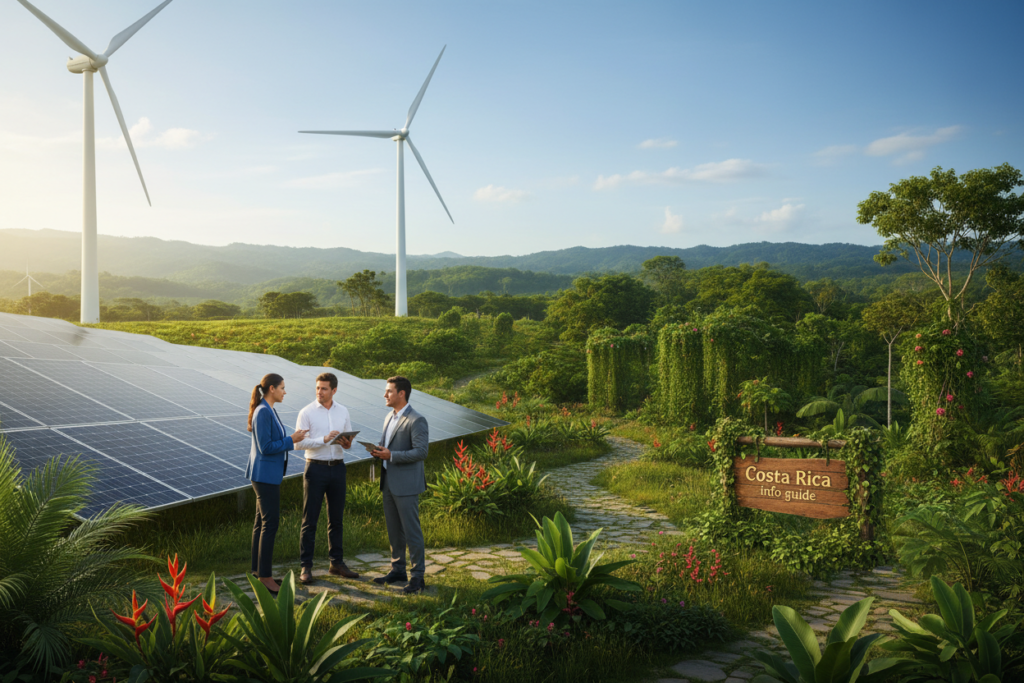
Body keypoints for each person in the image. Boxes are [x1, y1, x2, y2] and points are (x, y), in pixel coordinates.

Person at [245, 373, 307, 595]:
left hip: (266, 475)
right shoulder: (263, 412)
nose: (284, 391)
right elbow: (266, 447)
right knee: (269, 525)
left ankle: (257, 571)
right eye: (282, 387)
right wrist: (292, 440)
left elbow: (270, 443)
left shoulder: (268, 409)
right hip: (265, 476)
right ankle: (265, 577)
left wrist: (291, 438)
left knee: (261, 524)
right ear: (271, 389)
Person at [294, 372, 359, 584]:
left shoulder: (343, 411)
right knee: (309, 520)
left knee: (336, 519)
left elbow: (348, 439)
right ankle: (306, 567)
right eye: (318, 388)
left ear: (334, 390)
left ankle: (336, 563)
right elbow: (298, 444)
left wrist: (347, 443)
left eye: (324, 389)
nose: (319, 392)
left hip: (338, 468)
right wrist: (323, 439)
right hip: (315, 469)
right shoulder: (306, 412)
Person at [371, 375, 429, 594]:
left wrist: (391, 455)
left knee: (411, 532)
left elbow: (421, 451)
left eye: (388, 391)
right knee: (394, 530)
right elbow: (388, 446)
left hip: (406, 485)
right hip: (388, 482)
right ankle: (398, 570)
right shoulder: (390, 417)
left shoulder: (416, 420)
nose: (384, 395)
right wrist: (378, 451)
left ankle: (418, 577)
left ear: (401, 393)